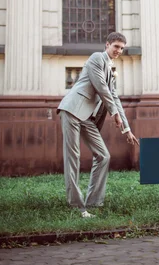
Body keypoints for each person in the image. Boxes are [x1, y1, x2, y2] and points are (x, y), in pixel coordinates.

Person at [58, 32, 139, 217]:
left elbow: (114, 98)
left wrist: (127, 129)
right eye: (116, 46)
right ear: (107, 45)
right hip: (72, 110)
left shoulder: (111, 70)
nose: (119, 50)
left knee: (103, 156)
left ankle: (93, 202)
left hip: (87, 118)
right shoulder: (96, 58)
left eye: (121, 48)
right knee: (73, 158)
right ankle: (77, 207)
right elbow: (102, 89)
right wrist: (115, 115)